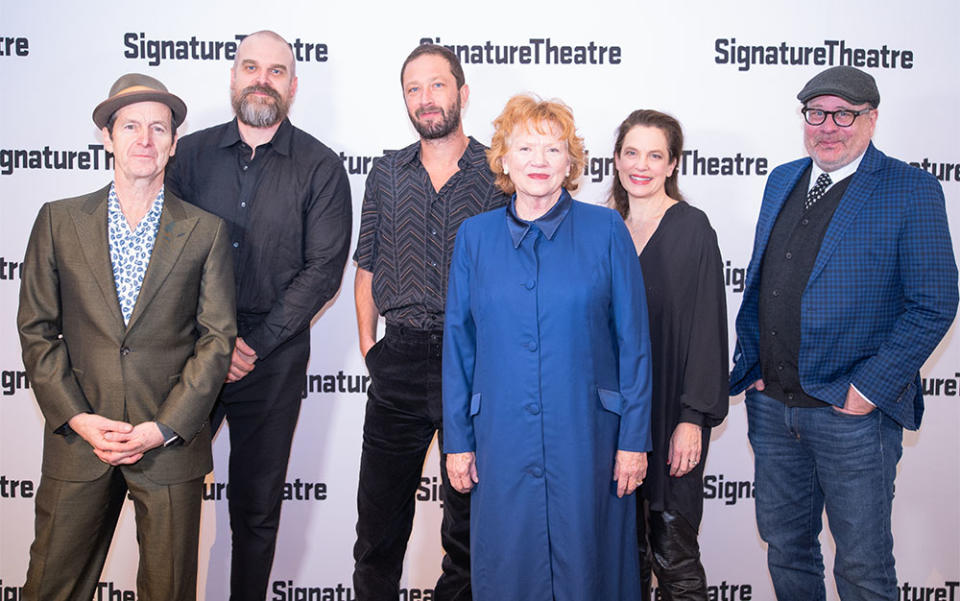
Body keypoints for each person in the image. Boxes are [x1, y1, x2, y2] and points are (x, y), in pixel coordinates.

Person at [729, 66, 958, 600]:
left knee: (861, 568)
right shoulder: (782, 178)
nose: (827, 127)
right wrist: (758, 364)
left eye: (844, 115)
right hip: (773, 408)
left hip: (852, 417)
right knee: (787, 551)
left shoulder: (911, 188)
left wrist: (867, 392)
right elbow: (770, 283)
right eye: (816, 114)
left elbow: (934, 303)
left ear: (871, 119)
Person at [17, 73, 236, 601]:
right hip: (79, 439)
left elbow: (216, 339)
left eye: (158, 128)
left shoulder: (206, 231)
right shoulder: (57, 221)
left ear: (174, 143)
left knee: (169, 591)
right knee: (51, 587)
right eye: (131, 126)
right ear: (107, 136)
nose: (145, 139)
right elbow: (37, 330)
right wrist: (79, 417)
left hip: (168, 445)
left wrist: (164, 427)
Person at [165, 30, 352, 601]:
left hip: (270, 364)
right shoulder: (187, 155)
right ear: (232, 76)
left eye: (276, 71)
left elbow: (323, 269)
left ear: (293, 85)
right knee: (167, 498)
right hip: (189, 354)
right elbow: (162, 252)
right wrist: (215, 343)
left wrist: (253, 344)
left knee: (256, 511)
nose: (261, 79)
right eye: (251, 67)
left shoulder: (321, 167)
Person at [443, 94, 652, 601]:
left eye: (553, 149)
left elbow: (635, 343)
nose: (539, 161)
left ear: (570, 162)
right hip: (501, 438)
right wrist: (457, 440)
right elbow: (459, 344)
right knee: (510, 564)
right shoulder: (474, 237)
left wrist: (634, 440)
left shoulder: (605, 230)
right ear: (504, 159)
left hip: (590, 439)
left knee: (592, 566)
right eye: (526, 148)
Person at [352, 44, 506, 600]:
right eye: (413, 89)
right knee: (377, 530)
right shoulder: (387, 172)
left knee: (467, 530)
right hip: (398, 361)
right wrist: (371, 349)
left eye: (437, 86)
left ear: (462, 93)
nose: (426, 99)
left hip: (474, 363)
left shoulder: (499, 173)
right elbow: (366, 264)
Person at [610, 110, 728, 600]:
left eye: (655, 155)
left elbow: (707, 330)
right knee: (622, 562)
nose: (641, 165)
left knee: (675, 560)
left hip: (669, 420)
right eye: (631, 153)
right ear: (615, 160)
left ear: (673, 163)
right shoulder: (601, 229)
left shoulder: (692, 229)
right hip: (613, 422)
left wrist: (692, 418)